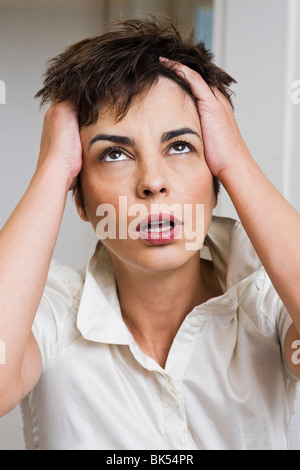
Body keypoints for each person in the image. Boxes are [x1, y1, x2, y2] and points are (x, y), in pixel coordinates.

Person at [0, 16, 299, 451]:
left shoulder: (268, 304)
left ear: (215, 180)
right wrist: (51, 170)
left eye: (180, 146)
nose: (152, 183)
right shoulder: (49, 316)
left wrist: (237, 162)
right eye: (115, 153)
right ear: (80, 201)